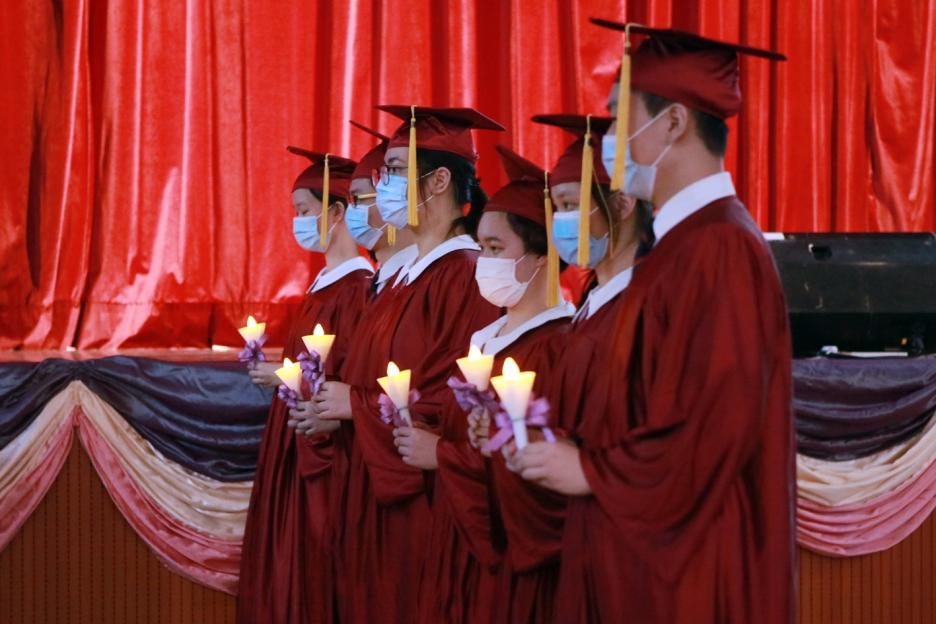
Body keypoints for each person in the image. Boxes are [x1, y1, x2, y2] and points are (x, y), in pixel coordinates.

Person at [513, 22, 794, 623]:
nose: (609, 140)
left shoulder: (720, 247)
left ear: (673, 123)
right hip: (628, 552)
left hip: (687, 569)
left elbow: (716, 422)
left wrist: (591, 469)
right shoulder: (675, 247)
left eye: (620, 118)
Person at [313, 106, 503, 623]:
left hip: (421, 504)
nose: (384, 188)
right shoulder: (403, 278)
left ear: (439, 180)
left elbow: (455, 398)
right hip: (370, 488)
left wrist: (355, 405)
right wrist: (334, 409)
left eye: (395, 172)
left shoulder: (464, 276)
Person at [437, 144, 575, 623]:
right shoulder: (484, 341)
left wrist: (445, 455)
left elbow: (544, 484)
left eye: (496, 249)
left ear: (542, 257)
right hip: (459, 550)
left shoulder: (557, 348)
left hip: (514, 567)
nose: (484, 261)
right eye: (481, 248)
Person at [237, 148, 373, 624]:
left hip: (322, 449)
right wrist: (282, 371)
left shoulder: (357, 289)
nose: (297, 222)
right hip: (293, 438)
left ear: (336, 212)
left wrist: (290, 378)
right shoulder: (324, 284)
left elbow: (346, 373)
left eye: (303, 210)